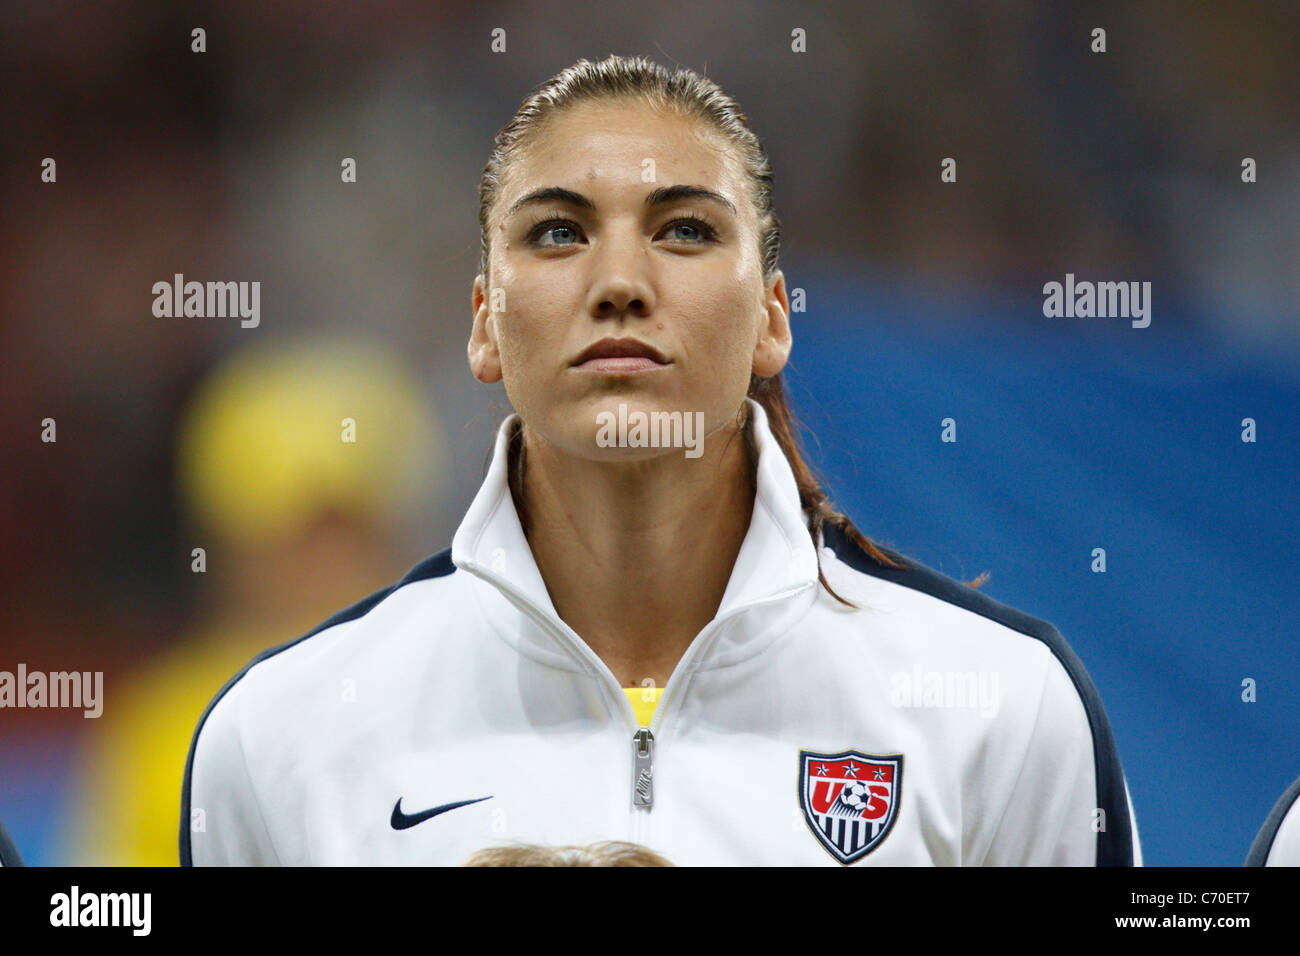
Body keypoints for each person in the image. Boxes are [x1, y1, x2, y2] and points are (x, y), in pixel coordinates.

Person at [184, 54, 1141, 866]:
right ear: (484, 325)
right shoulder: (279, 737)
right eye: (558, 232)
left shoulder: (1003, 708)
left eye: (685, 229)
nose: (620, 285)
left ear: (772, 319)